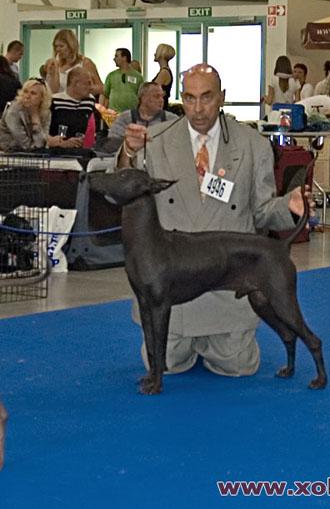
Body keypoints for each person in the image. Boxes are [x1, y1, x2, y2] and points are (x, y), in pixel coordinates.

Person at [116, 63, 314, 378]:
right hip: (172, 283)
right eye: (190, 98)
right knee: (166, 365)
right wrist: (128, 150)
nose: (198, 109)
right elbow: (126, 185)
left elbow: (261, 210)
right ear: (181, 98)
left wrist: (288, 206)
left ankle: (226, 335)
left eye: (206, 97)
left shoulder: (254, 145)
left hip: (227, 281)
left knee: (239, 367)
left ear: (222, 97)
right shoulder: (154, 139)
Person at [98, 81, 177, 153]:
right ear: (143, 98)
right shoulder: (124, 118)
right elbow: (113, 144)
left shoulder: (172, 120)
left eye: (162, 96)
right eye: (156, 96)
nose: (161, 100)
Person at [0, 77, 56, 152]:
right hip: (8, 153)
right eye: (25, 91)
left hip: (30, 155)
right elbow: (25, 145)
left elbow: (41, 143)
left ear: (42, 98)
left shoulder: (46, 113)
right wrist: (41, 143)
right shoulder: (14, 111)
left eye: (33, 93)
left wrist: (35, 118)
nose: (27, 96)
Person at [44, 29, 103, 96]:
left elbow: (101, 88)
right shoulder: (55, 65)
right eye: (56, 46)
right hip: (59, 103)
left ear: (71, 46)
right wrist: (54, 72)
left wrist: (85, 88)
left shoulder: (85, 63)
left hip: (81, 103)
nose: (58, 49)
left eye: (61, 46)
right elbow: (53, 91)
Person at [49, 67, 96, 148]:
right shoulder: (54, 101)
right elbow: (42, 132)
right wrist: (63, 143)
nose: (91, 87)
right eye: (87, 83)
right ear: (75, 83)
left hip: (82, 150)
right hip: (57, 151)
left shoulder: (90, 101)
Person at [102, 48, 144, 113]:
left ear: (124, 58)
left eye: (116, 56)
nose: (114, 59)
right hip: (114, 113)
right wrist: (103, 111)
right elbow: (105, 95)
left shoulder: (138, 76)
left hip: (132, 114)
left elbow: (142, 96)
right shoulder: (111, 75)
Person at [152, 43, 175, 109]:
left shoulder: (164, 73)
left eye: (157, 52)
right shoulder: (164, 71)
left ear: (161, 54)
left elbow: (150, 90)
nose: (154, 54)